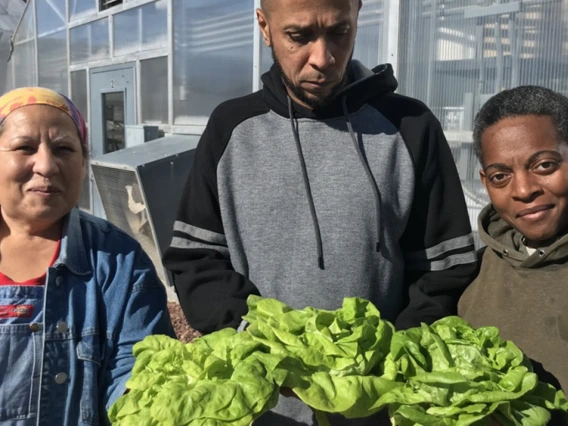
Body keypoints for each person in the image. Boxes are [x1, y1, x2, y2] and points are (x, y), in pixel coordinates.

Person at [163, 0, 477, 423]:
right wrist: (259, 345)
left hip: (381, 404)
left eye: (339, 32)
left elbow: (444, 268)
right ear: (264, 26)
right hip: (267, 405)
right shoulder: (231, 128)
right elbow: (196, 260)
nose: (323, 58)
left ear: (357, 16)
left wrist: (390, 361)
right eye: (299, 36)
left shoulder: (410, 126)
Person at [0, 87, 174, 426]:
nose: (47, 165)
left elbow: (140, 373)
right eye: (24, 147)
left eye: (64, 148)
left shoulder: (120, 262)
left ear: (82, 163)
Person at [458, 86, 568, 398]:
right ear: (484, 182)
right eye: (500, 176)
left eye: (545, 165)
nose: (522, 190)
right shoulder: (474, 274)